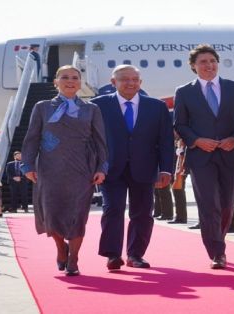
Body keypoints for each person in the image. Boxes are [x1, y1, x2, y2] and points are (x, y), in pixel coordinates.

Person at [21, 65, 108, 276]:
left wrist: (101, 168)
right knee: (51, 213)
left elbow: (100, 142)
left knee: (78, 215)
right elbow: (32, 138)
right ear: (56, 82)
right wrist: (28, 165)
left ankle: (74, 258)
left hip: (82, 169)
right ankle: (61, 248)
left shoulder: (91, 109)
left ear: (80, 83)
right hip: (50, 169)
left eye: (75, 78)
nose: (71, 81)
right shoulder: (42, 107)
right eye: (65, 77)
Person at [92, 64, 174, 271]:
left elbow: (165, 140)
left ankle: (135, 254)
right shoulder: (98, 105)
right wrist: (94, 166)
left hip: (145, 168)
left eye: (134, 79)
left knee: (143, 213)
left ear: (140, 82)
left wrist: (166, 169)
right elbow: (91, 140)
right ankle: (112, 255)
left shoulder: (156, 106)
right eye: (124, 79)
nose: (130, 83)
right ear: (113, 83)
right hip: (111, 169)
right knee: (113, 210)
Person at [174, 44, 234, 269]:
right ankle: (217, 252)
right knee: (208, 205)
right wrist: (196, 140)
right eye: (203, 62)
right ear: (194, 67)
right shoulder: (184, 92)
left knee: (227, 204)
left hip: (231, 154)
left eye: (212, 61)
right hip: (201, 156)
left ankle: (219, 240)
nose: (209, 65)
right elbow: (180, 124)